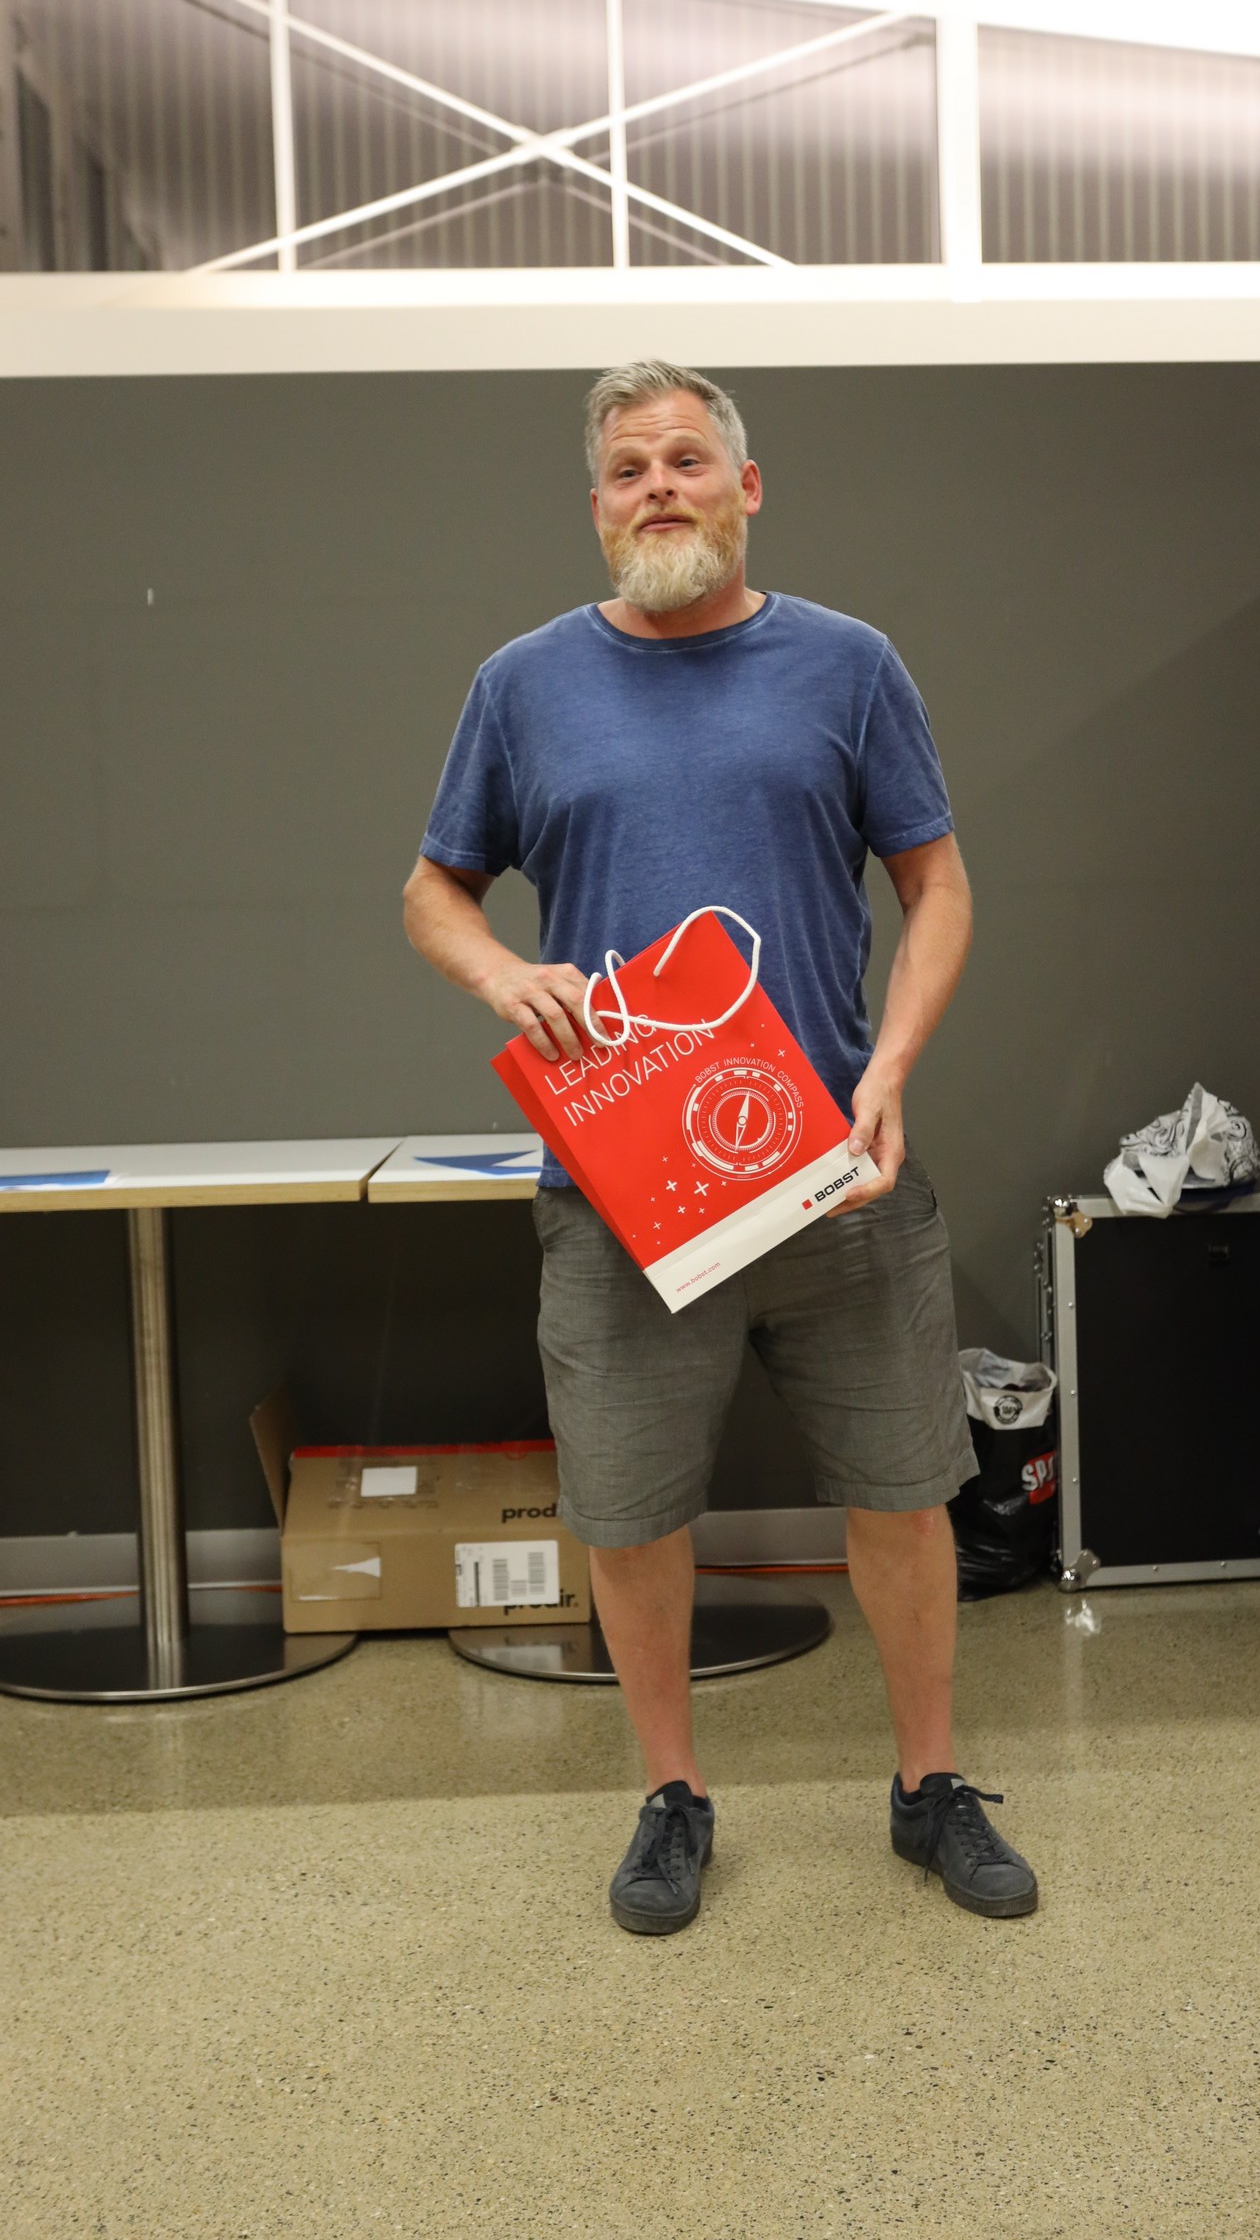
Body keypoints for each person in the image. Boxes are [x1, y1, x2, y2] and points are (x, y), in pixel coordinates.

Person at [403, 359, 1038, 1934]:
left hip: (836, 1174)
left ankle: (930, 1784)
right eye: (630, 470)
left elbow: (938, 886)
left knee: (904, 1495)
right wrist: (502, 973)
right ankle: (672, 1797)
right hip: (620, 1196)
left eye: (688, 460)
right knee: (631, 1514)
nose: (661, 489)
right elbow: (433, 891)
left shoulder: (850, 665)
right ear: (597, 507)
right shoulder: (522, 685)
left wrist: (892, 1068)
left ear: (747, 488)